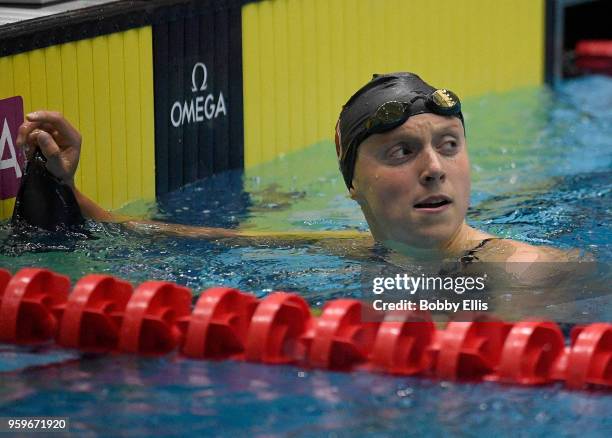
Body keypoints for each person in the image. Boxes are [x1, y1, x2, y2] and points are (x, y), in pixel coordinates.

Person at [15, 72, 579, 264]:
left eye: (450, 146)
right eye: (402, 152)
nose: (434, 169)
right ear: (352, 185)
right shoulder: (365, 251)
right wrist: (67, 187)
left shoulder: (525, 267)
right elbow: (177, 236)